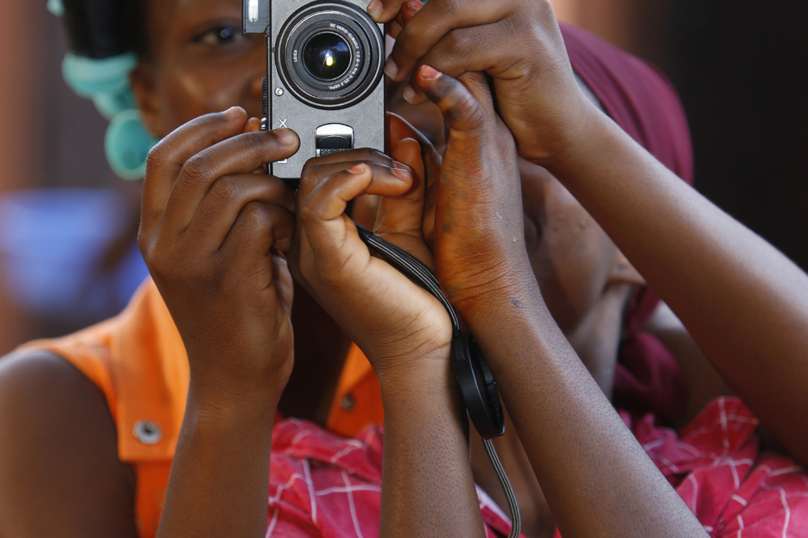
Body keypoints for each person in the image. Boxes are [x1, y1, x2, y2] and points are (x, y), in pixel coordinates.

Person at [0, 0, 805, 536]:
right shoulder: (74, 405)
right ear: (143, 94)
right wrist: (234, 386)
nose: (292, 64)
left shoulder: (694, 410)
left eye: (331, 24)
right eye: (226, 32)